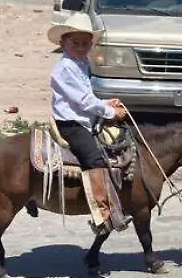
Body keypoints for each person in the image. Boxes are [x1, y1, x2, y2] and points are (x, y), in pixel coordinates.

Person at [48, 13, 131, 232]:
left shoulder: (82, 63)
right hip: (71, 123)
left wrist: (106, 103)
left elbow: (87, 96)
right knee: (94, 158)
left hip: (84, 118)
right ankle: (102, 214)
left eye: (85, 43)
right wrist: (111, 112)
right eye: (75, 43)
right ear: (63, 42)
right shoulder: (64, 68)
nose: (81, 46)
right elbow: (82, 101)